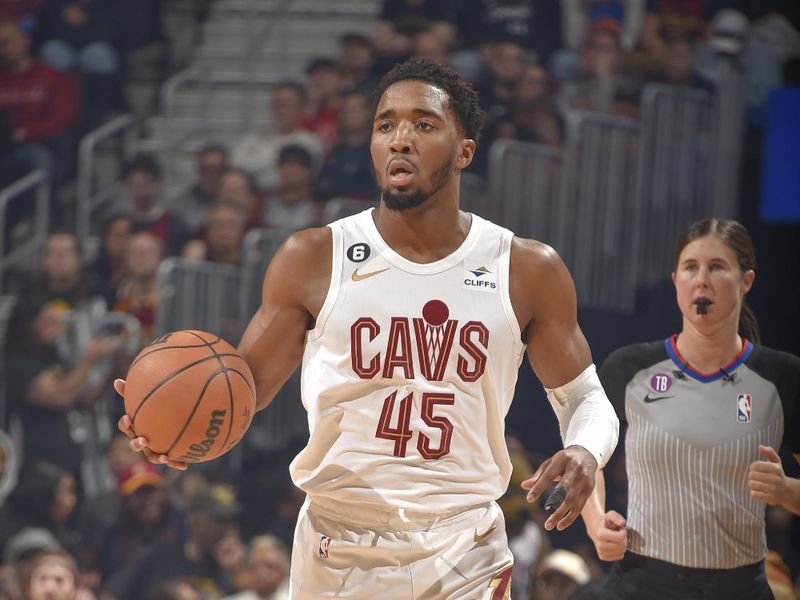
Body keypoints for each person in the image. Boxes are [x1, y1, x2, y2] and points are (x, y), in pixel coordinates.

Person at [117, 58, 619, 597]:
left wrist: (586, 448)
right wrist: (177, 434)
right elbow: (242, 394)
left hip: (463, 547)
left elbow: (586, 399)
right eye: (386, 125)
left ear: (465, 151)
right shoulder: (312, 257)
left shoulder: (524, 267)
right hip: (337, 548)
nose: (400, 138)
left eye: (423, 124)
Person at [582, 218, 800, 599]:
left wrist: (786, 490)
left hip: (738, 589)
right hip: (640, 583)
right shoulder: (629, 369)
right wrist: (596, 522)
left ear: (746, 280)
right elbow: (583, 457)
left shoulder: (781, 378)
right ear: (675, 281)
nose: (702, 279)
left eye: (717, 267)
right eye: (691, 267)